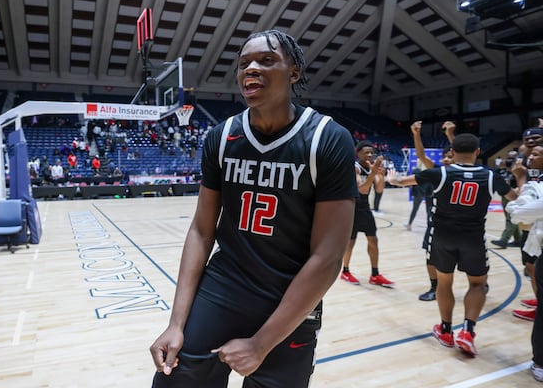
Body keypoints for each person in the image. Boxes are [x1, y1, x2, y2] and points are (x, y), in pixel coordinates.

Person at [149, 29, 358, 388]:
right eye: (244, 63)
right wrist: (176, 323)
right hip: (223, 288)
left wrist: (261, 344)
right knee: (173, 379)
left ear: (294, 72)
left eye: (266, 60)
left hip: (291, 298)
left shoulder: (327, 138)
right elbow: (201, 230)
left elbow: (327, 257)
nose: (251, 69)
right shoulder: (222, 136)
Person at [387, 133, 517, 356]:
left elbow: (401, 181)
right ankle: (467, 331)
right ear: (477, 152)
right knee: (477, 285)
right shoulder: (490, 176)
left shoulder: (440, 173)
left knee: (444, 283)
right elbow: (514, 197)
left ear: (452, 152)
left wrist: (391, 178)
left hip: (442, 236)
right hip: (473, 238)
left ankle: (446, 330)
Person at [506, 144, 543, 382]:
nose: (531, 155)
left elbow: (517, 213)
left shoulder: (535, 186)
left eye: (537, 153)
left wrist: (521, 181)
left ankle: (540, 362)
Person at [409, 120, 455, 301]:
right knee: (430, 257)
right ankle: (435, 288)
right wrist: (416, 134)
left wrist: (451, 135)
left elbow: (462, 151)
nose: (446, 159)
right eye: (444, 156)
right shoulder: (436, 172)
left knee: (465, 259)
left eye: (450, 156)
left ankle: (479, 283)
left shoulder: (463, 172)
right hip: (436, 223)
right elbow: (421, 155)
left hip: (459, 224)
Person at [340, 140, 394, 287]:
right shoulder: (354, 167)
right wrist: (373, 172)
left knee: (373, 239)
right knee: (351, 242)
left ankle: (375, 274)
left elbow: (379, 189)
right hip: (351, 208)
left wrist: (380, 175)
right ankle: (345, 271)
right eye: (366, 152)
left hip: (364, 208)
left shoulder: (371, 168)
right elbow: (362, 189)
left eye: (372, 152)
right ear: (358, 154)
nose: (370, 155)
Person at [509, 128, 543, 321]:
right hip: (532, 225)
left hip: (536, 220)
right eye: (527, 138)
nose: (530, 141)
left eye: (535, 138)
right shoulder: (524, 160)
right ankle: (539, 300)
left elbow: (524, 208)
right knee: (531, 266)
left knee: (534, 266)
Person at [490, 150, 522, 249]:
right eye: (508, 158)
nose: (509, 160)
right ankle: (519, 240)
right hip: (503, 196)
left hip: (515, 196)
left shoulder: (519, 170)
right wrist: (501, 167)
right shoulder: (502, 170)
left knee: (511, 218)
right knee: (510, 217)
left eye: (512, 158)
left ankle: (504, 240)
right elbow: (494, 178)